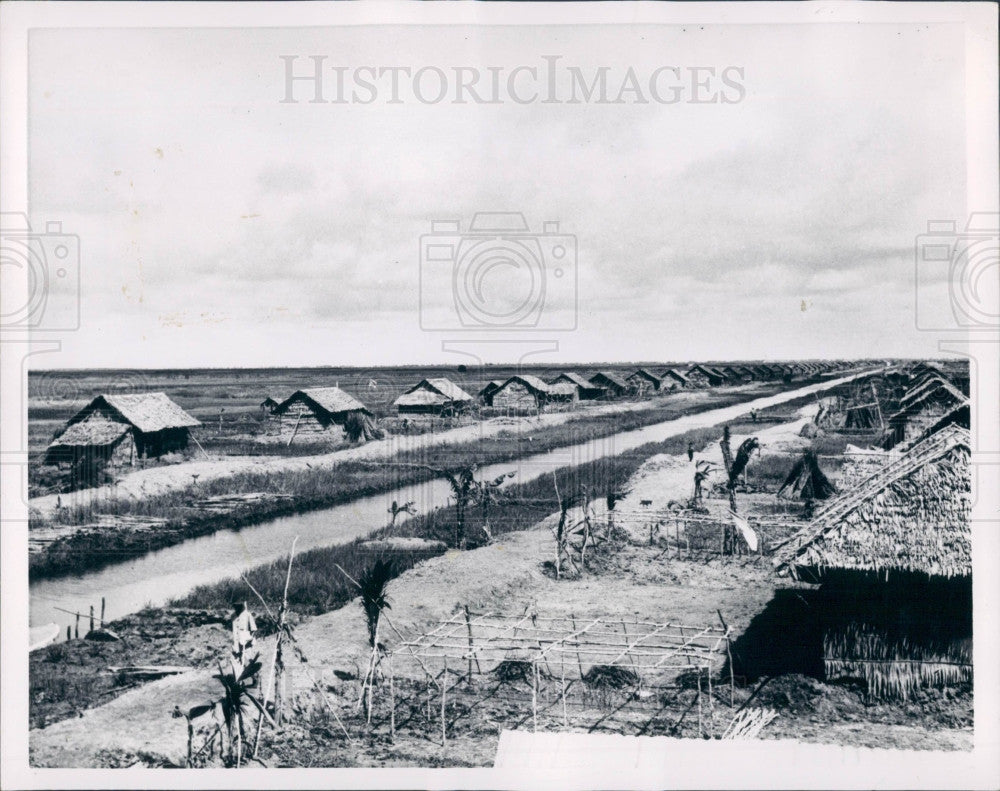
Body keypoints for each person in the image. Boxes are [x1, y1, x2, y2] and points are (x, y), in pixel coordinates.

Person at [231, 600, 257, 668]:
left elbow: (253, 629)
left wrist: (249, 638)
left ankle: (253, 675)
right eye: (235, 606)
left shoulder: (247, 615)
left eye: (238, 606)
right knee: (237, 659)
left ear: (241, 606)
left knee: (248, 659)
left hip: (247, 642)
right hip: (236, 641)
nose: (237, 607)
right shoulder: (233, 616)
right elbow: (234, 630)